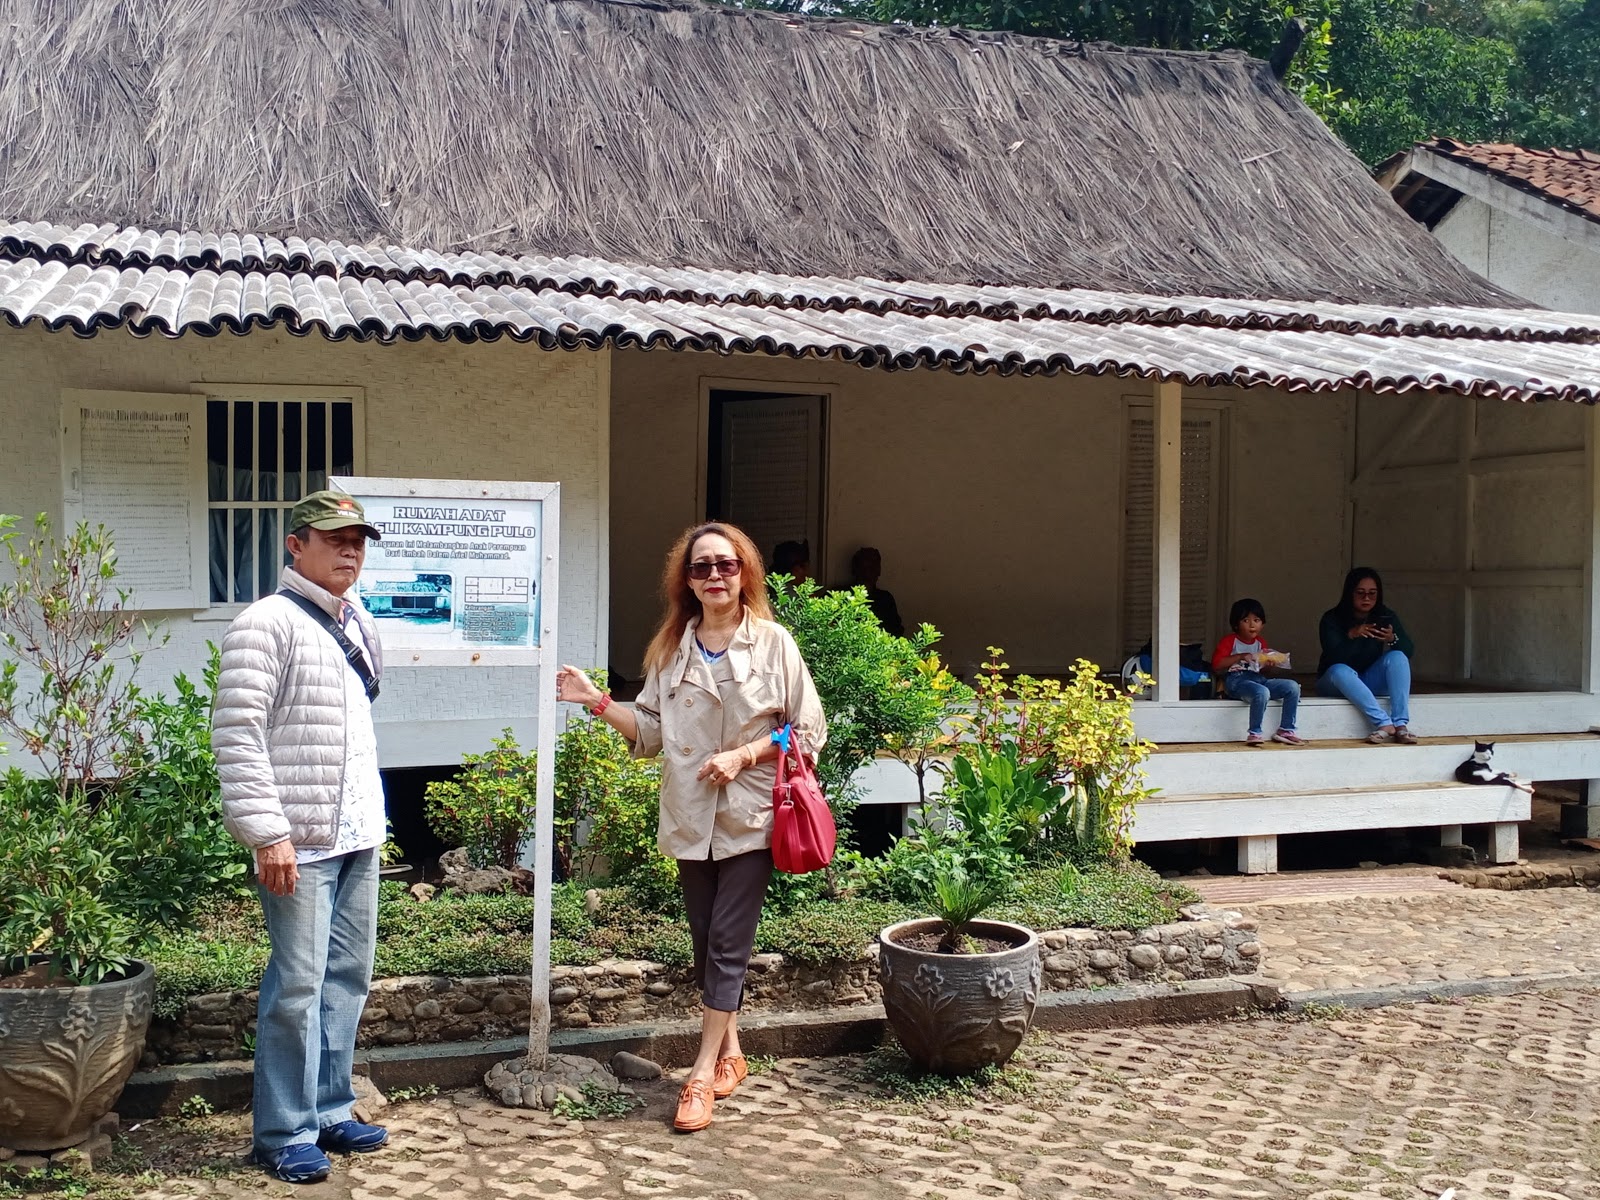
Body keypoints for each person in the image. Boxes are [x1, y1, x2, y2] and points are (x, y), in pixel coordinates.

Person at [556, 522, 825, 1134]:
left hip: (752, 814)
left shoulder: (774, 643)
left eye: (725, 566)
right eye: (701, 568)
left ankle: (699, 1074)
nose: (713, 577)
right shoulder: (671, 648)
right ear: (687, 580)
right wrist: (595, 700)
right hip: (689, 815)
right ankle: (733, 1052)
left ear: (744, 573)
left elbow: (806, 732)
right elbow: (649, 735)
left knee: (729, 941)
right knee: (706, 943)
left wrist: (744, 756)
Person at [211, 490, 391, 1183]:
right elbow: (238, 734)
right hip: (299, 839)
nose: (350, 551)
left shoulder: (356, 620)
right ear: (297, 544)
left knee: (347, 976)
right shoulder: (266, 623)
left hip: (355, 832)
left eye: (359, 541)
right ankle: (283, 1132)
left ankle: (330, 1108)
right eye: (335, 538)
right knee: (297, 985)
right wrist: (267, 832)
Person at [1316, 566, 1417, 744]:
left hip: (1367, 679)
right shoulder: (1332, 618)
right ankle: (1384, 723)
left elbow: (1408, 651)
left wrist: (1392, 639)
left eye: (1372, 593)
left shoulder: (1384, 615)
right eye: (1360, 593)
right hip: (1335, 681)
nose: (1367, 598)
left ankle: (1400, 724)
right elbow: (1333, 657)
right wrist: (1351, 635)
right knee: (1340, 670)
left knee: (1397, 657)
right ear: (1350, 593)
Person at [1210, 598, 1307, 746]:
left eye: (1256, 620)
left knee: (1292, 687)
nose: (1252, 625)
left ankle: (1286, 729)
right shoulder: (1230, 641)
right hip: (1236, 681)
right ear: (1236, 623)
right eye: (1245, 620)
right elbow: (1217, 665)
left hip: (1258, 679)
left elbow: (1264, 672)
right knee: (1262, 692)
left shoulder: (1260, 643)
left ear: (1262, 624)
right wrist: (1242, 656)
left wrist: (1268, 663)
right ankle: (1254, 732)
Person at [849, 546, 904, 636]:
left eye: (874, 565)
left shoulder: (885, 599)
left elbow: (896, 630)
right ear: (856, 568)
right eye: (866, 565)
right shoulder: (841, 596)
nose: (870, 570)